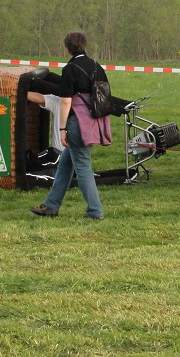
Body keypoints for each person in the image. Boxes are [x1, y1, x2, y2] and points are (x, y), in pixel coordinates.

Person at [30, 30, 110, 220]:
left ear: (67, 48)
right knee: (66, 165)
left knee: (82, 167)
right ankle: (51, 206)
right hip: (93, 121)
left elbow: (66, 102)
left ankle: (95, 211)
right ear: (85, 44)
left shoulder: (70, 69)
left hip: (77, 124)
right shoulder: (97, 66)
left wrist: (63, 129)